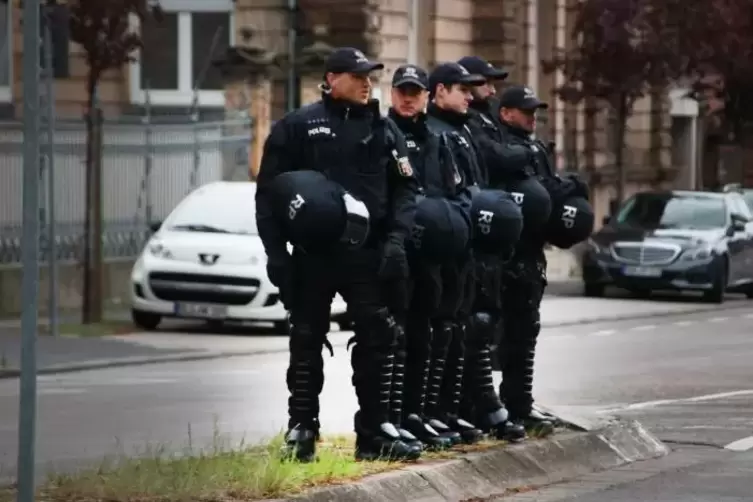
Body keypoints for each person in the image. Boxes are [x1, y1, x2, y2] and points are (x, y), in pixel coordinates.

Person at [255, 47, 423, 463]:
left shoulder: (385, 131)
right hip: (314, 256)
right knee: (306, 337)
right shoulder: (297, 126)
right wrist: (277, 256)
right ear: (331, 78)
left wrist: (397, 241)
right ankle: (302, 428)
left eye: (370, 75)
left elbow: (405, 192)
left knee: (377, 337)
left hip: (368, 255)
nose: (367, 82)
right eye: (357, 75)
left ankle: (374, 431)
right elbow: (269, 196)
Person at [387, 64, 472, 450]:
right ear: (392, 94)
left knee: (427, 332)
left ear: (426, 96)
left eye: (414, 92)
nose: (408, 98)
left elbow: (455, 190)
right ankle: (389, 419)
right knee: (395, 336)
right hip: (398, 250)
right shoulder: (382, 134)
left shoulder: (437, 140)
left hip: (433, 254)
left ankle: (417, 414)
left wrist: (451, 223)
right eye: (402, 91)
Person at [495, 85, 585, 434]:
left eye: (535, 110)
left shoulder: (535, 146)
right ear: (506, 113)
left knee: (525, 333)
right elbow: (530, 190)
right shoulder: (502, 147)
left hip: (532, 252)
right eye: (525, 110)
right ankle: (488, 407)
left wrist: (572, 187)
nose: (533, 116)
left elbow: (547, 187)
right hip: (506, 253)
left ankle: (520, 404)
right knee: (488, 335)